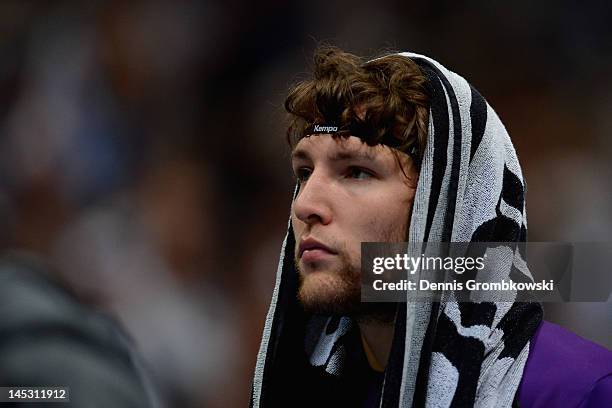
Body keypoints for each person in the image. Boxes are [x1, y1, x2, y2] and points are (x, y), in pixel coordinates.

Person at [250, 46, 612, 407]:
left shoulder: (579, 392)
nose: (304, 204)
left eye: (358, 171)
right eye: (305, 173)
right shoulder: (297, 389)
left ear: (452, 205)